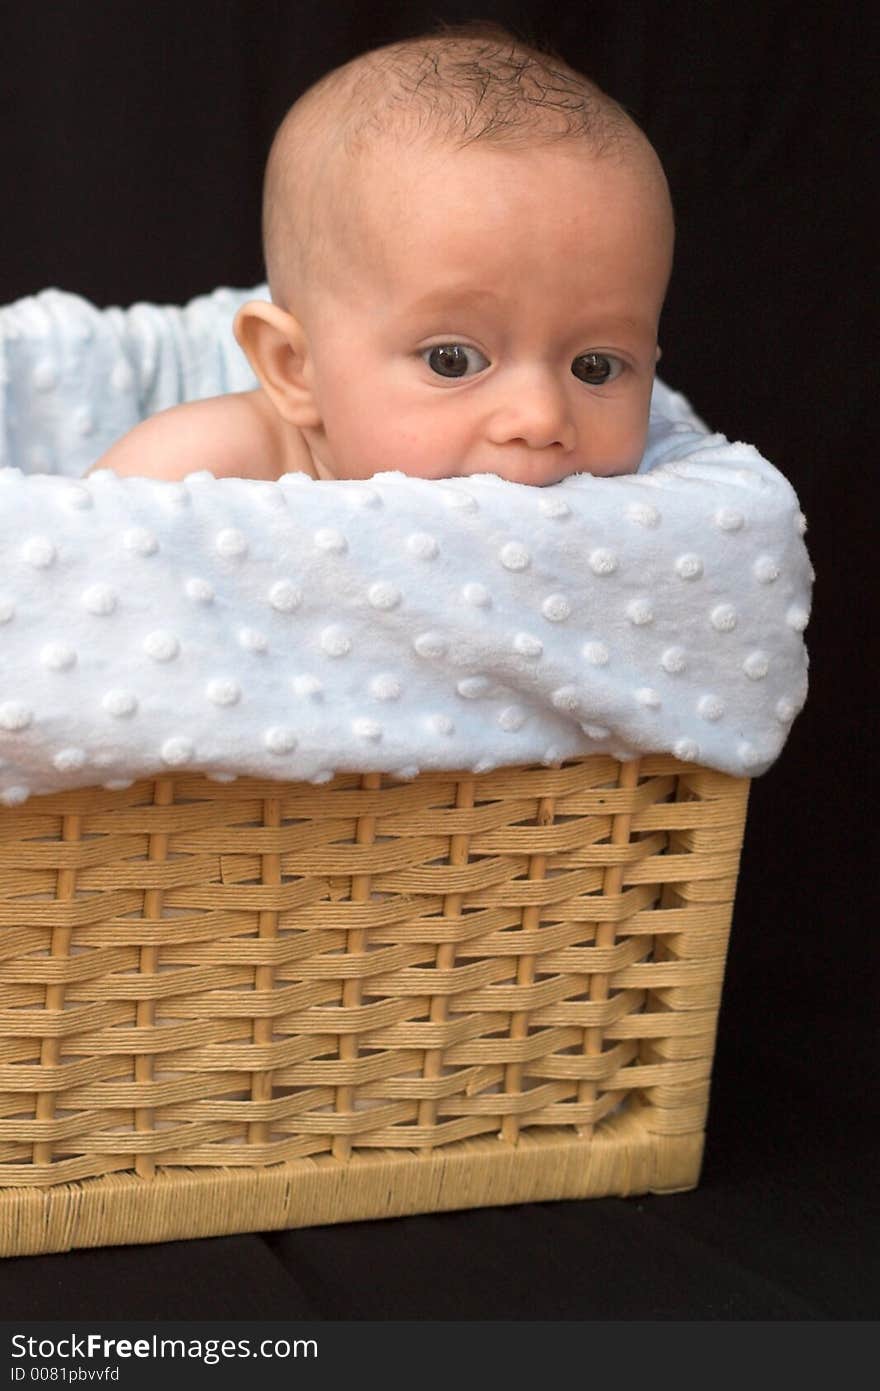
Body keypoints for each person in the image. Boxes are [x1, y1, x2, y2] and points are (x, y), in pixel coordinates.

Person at [87, 23, 674, 488]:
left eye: (595, 366)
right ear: (295, 367)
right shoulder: (197, 471)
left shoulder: (660, 506)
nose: (541, 420)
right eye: (453, 360)